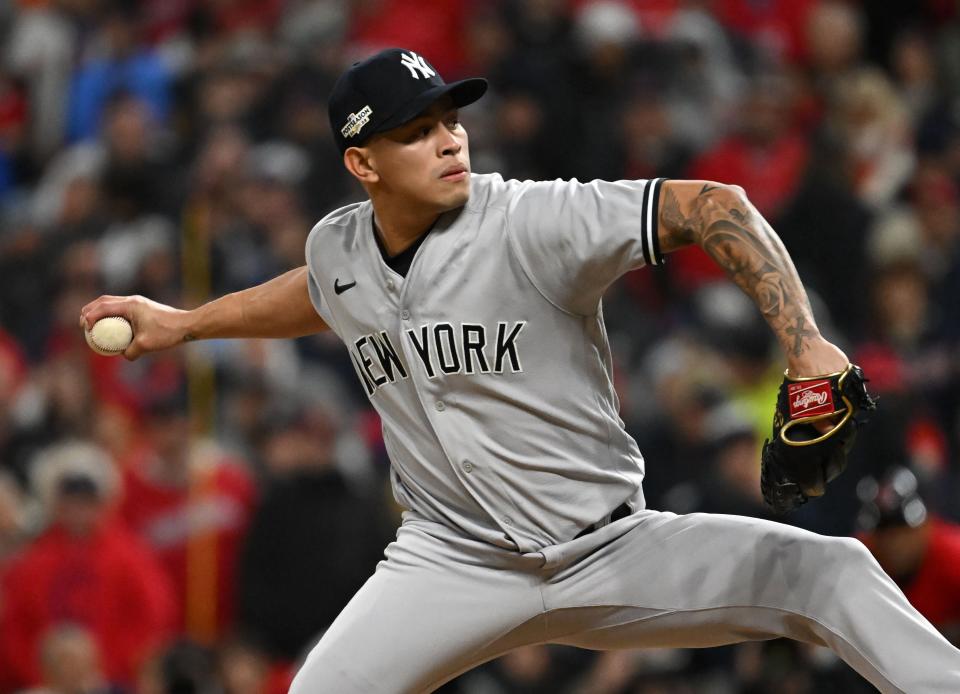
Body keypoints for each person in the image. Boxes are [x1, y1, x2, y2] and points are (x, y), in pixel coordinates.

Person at [81, 48, 960, 692]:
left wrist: (806, 347)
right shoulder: (338, 246)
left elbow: (711, 206)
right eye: (417, 132)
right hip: (447, 564)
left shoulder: (532, 222)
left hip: (612, 546)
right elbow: (319, 292)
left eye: (450, 120)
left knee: (835, 574)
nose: (449, 140)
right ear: (362, 164)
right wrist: (185, 325)